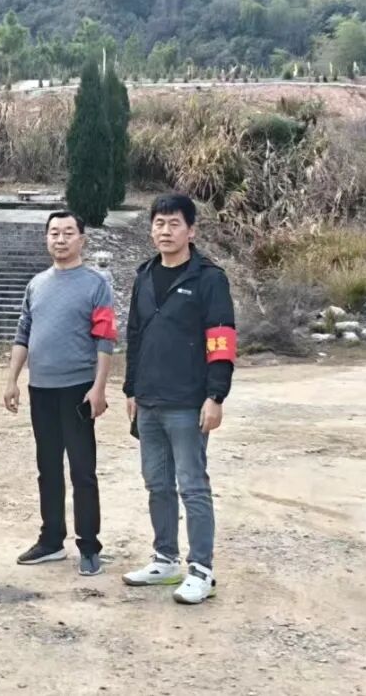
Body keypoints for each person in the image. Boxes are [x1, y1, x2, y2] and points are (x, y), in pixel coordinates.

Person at [122, 193, 236, 604]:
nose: (165, 231)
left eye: (174, 224)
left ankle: (201, 569)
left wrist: (215, 395)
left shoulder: (208, 278)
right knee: (156, 483)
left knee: (192, 485)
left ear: (191, 230)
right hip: (149, 400)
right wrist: (131, 388)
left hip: (188, 402)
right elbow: (134, 335)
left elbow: (221, 340)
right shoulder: (144, 275)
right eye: (159, 223)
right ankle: (165, 559)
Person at [3, 211, 117, 577]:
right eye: (54, 233)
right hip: (41, 389)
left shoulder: (96, 284)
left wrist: (99, 387)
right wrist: (12, 379)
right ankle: (51, 539)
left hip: (78, 390)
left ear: (82, 239)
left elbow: (105, 339)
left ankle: (89, 545)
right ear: (46, 238)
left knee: (82, 470)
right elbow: (23, 332)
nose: (61, 239)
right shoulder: (36, 284)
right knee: (47, 468)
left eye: (68, 232)